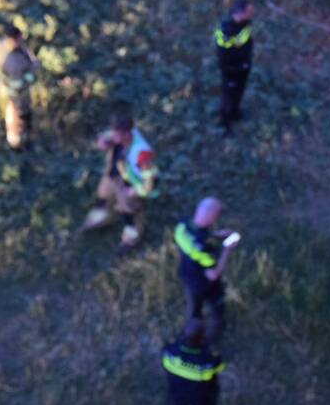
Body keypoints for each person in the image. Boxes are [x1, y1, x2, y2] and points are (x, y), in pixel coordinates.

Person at [82, 115, 159, 248]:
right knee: (103, 198)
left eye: (116, 134)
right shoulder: (117, 134)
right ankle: (100, 219)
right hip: (113, 174)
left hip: (130, 184)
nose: (113, 136)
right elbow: (105, 138)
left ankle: (131, 237)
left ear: (126, 133)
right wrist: (103, 142)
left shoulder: (141, 153)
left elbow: (149, 183)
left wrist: (136, 191)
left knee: (130, 210)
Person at [174, 198, 239, 346]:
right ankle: (212, 338)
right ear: (213, 218)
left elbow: (199, 233)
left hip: (186, 275)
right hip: (203, 283)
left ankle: (190, 334)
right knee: (216, 307)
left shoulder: (183, 225)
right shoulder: (204, 249)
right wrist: (227, 250)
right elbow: (214, 274)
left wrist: (216, 234)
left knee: (193, 310)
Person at [0, 25, 40, 151]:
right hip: (12, 93)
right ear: (13, 39)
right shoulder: (5, 54)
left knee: (23, 115)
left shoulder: (18, 49)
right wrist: (28, 76)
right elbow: (1, 73)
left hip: (18, 91)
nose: (21, 41)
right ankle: (15, 144)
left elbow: (32, 63)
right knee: (15, 118)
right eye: (19, 39)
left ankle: (24, 140)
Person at [214, 0, 255, 136]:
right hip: (230, 68)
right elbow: (224, 50)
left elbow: (245, 43)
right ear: (240, 12)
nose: (252, 13)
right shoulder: (225, 29)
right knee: (229, 95)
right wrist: (231, 67)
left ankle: (235, 113)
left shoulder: (246, 25)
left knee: (238, 92)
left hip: (243, 66)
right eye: (249, 11)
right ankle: (225, 123)